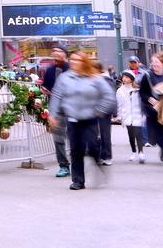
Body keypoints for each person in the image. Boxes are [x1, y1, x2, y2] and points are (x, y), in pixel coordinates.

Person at [48, 51, 115, 190]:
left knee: (93, 146)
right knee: (75, 150)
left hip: (90, 118)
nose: (73, 62)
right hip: (72, 119)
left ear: (84, 62)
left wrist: (100, 111)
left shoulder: (94, 78)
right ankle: (78, 181)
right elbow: (56, 97)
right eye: (72, 60)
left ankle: (99, 163)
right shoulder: (64, 78)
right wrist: (52, 115)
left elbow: (109, 95)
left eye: (77, 60)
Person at [41, 45, 70, 178]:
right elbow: (46, 87)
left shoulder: (72, 69)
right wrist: (45, 92)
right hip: (56, 109)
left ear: (65, 54)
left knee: (74, 138)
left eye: (59, 51)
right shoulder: (50, 70)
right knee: (58, 139)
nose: (56, 53)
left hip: (72, 108)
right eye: (54, 51)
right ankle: (63, 165)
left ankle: (78, 163)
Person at [116, 71, 145, 163]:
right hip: (127, 114)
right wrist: (119, 116)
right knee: (131, 135)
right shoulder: (120, 91)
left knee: (138, 134)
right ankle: (133, 151)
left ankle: (141, 152)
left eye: (127, 77)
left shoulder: (137, 90)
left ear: (132, 79)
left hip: (137, 114)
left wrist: (143, 114)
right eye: (123, 77)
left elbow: (142, 103)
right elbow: (119, 104)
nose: (124, 79)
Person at [91, 60, 114, 165]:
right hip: (94, 110)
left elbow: (110, 97)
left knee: (105, 134)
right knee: (95, 134)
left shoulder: (106, 80)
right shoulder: (93, 79)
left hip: (104, 112)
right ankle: (99, 155)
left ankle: (107, 156)